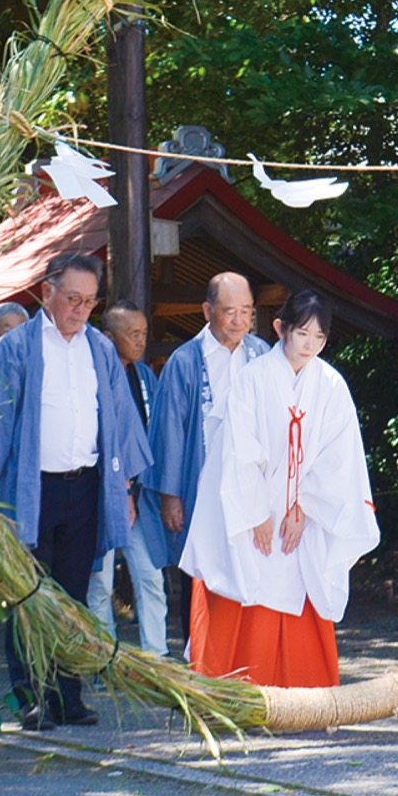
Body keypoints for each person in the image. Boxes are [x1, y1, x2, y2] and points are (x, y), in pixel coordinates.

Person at [0, 253, 150, 729]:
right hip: (31, 488)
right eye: (73, 298)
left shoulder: (99, 348)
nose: (80, 309)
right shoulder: (18, 347)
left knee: (74, 597)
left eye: (90, 301)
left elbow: (121, 420)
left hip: (86, 486)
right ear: (47, 292)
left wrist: (127, 487)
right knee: (29, 594)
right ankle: (30, 697)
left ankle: (68, 695)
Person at [181, 290, 379, 687]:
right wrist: (255, 515)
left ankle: (306, 691)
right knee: (246, 579)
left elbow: (339, 458)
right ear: (280, 328)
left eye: (319, 338)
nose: (310, 345)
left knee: (302, 583)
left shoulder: (331, 385)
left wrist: (303, 509)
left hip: (304, 514)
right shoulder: (252, 379)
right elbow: (237, 452)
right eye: (302, 333)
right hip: (254, 506)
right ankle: (238, 690)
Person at [148, 271, 266, 644]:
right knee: (200, 575)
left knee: (255, 573)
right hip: (200, 487)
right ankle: (199, 663)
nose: (238, 320)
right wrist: (170, 496)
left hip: (253, 487)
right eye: (229, 311)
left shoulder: (262, 355)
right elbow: (168, 431)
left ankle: (249, 665)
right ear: (206, 311)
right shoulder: (185, 361)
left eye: (245, 311)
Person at [86, 302, 169, 657]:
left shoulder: (145, 377)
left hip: (140, 495)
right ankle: (106, 660)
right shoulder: (90, 376)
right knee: (100, 583)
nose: (140, 342)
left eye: (144, 334)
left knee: (150, 576)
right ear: (108, 337)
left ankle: (157, 656)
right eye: (132, 334)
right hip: (100, 494)